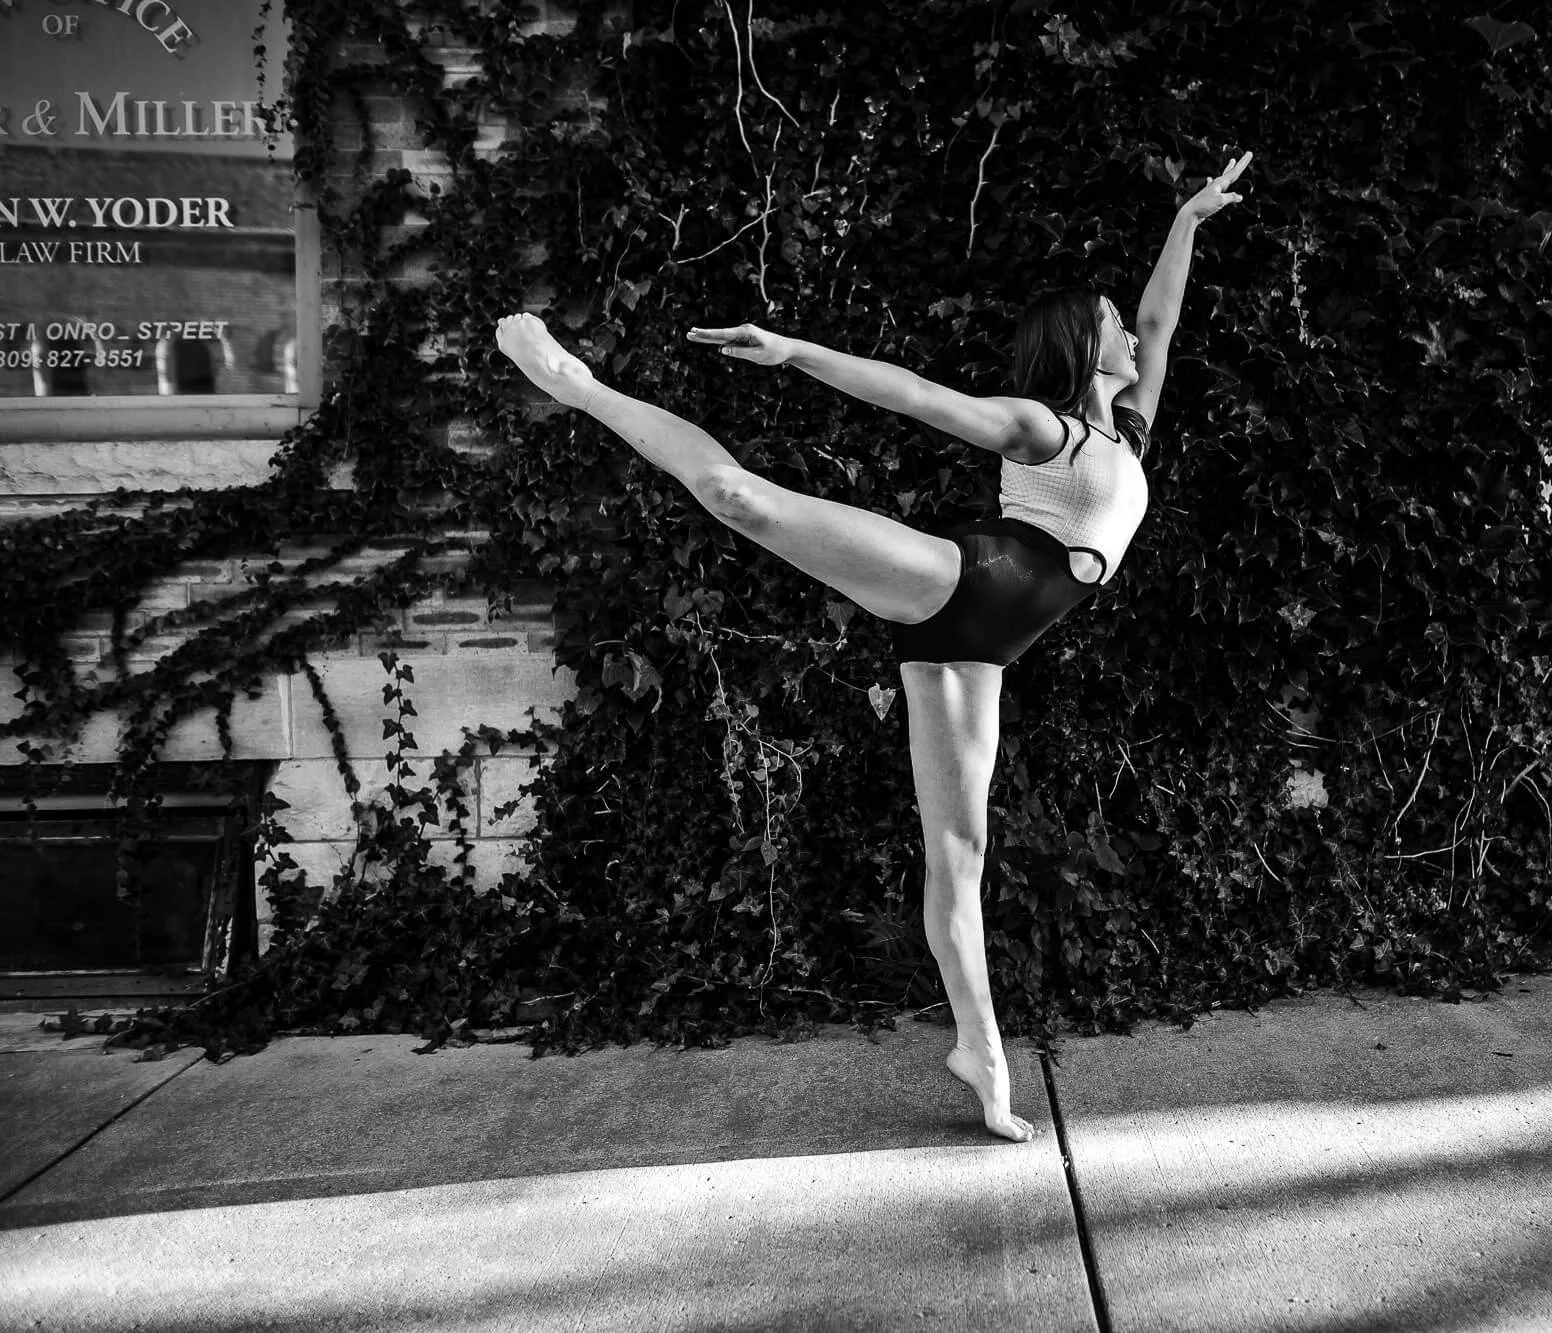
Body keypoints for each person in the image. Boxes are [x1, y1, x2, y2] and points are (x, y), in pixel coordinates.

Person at [496, 150, 1253, 1144]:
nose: (1126, 330)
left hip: (979, 655)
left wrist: (1187, 221)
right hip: (958, 581)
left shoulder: (1132, 429)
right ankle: (580, 385)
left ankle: (981, 1055)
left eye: (1121, 320)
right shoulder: (1043, 427)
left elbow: (1160, 320)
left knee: (959, 858)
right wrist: (795, 351)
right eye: (1107, 321)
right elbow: (917, 396)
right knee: (739, 498)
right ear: (1082, 342)